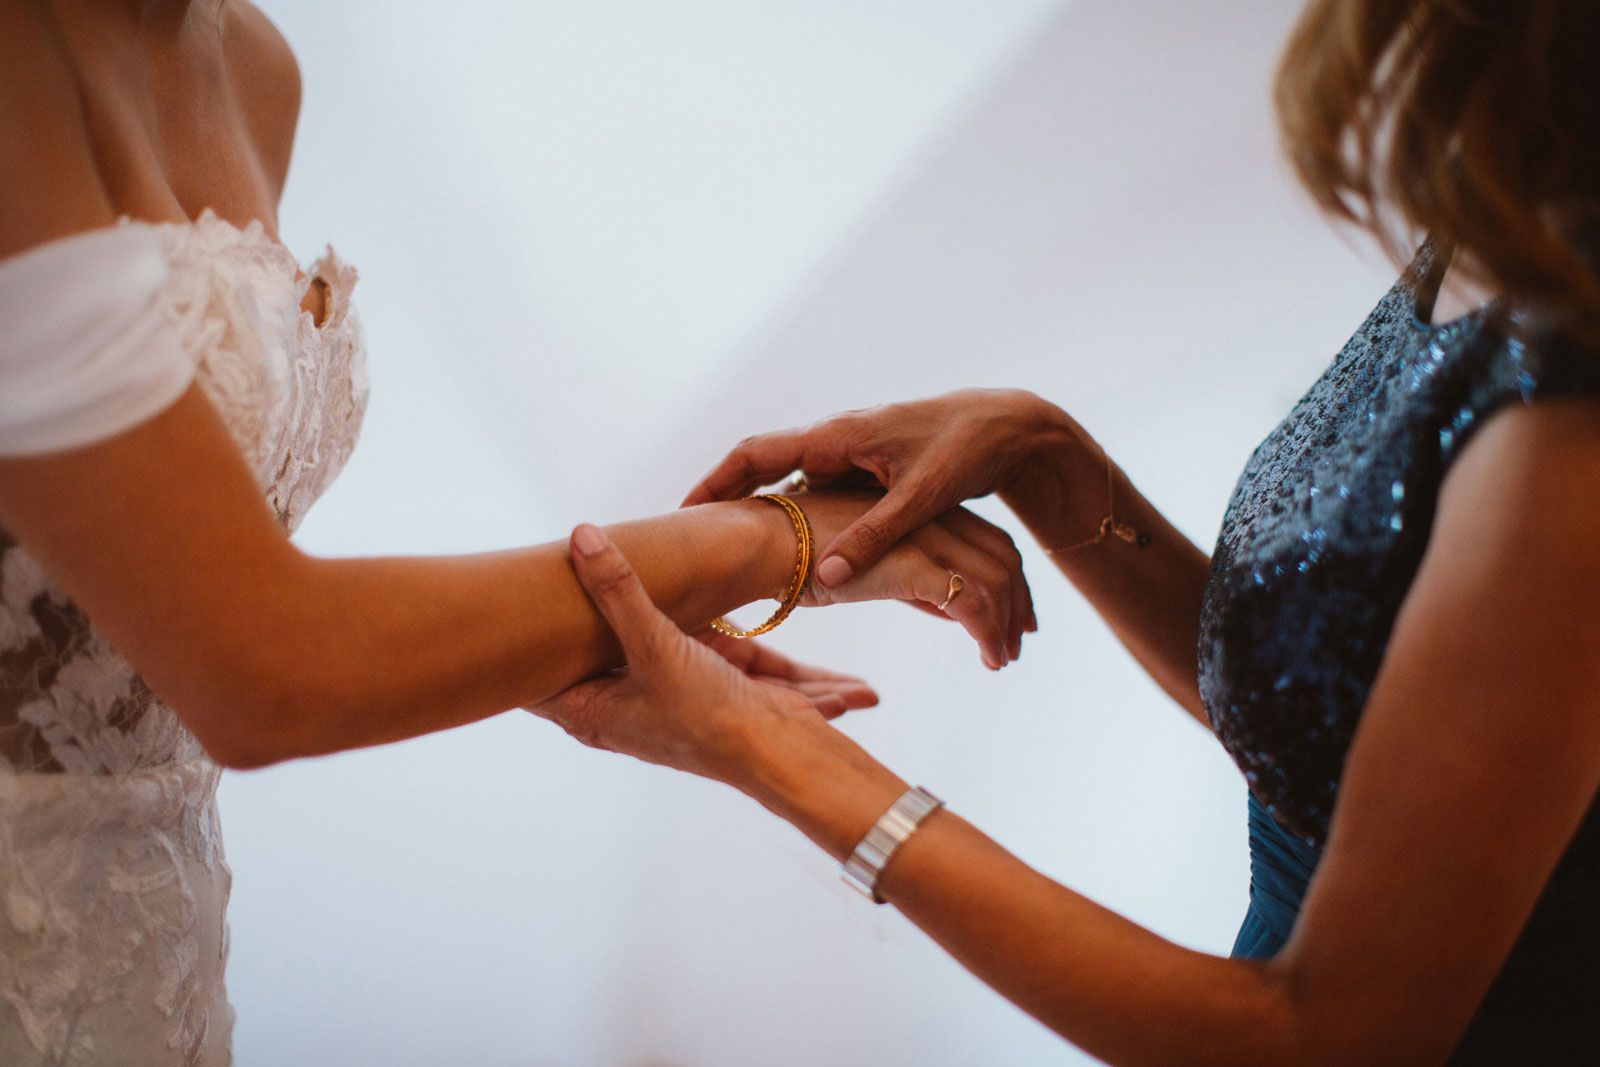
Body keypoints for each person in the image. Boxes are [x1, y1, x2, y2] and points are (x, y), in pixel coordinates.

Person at [533, 1, 1600, 1062]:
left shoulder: (1572, 428)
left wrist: (768, 750)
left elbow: (1326, 1037)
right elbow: (1347, 717)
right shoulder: (1516, 194)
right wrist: (1047, 461)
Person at [0, 2, 1035, 1062]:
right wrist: (770, 541)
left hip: (145, 953)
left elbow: (169, 565)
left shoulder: (251, 67)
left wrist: (572, 634)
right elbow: (255, 662)